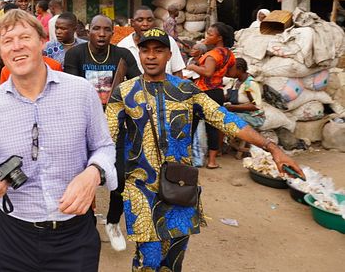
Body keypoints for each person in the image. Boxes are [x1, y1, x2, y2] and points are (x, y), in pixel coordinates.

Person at [105, 28, 304, 272]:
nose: (151, 56)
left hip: (180, 185)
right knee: (149, 259)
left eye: (158, 51)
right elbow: (106, 135)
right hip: (141, 188)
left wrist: (272, 148)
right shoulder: (124, 92)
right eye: (145, 50)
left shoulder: (187, 91)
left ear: (169, 55)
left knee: (173, 260)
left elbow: (225, 119)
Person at [0, 9, 117, 271]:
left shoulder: (81, 92)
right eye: (7, 41)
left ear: (42, 42)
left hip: (74, 236)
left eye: (24, 37)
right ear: (1, 52)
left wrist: (94, 173)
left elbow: (104, 147)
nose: (17, 47)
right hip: (13, 236)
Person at [63, 14, 140, 252]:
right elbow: (73, 92)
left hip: (116, 127)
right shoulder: (75, 54)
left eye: (107, 29)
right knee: (79, 177)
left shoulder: (123, 55)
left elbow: (137, 85)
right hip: (82, 127)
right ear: (88, 31)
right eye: (96, 29)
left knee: (119, 179)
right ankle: (82, 226)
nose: (102, 34)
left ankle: (114, 221)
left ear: (113, 32)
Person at [184, 22, 237, 169]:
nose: (206, 36)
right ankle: (212, 161)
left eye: (210, 34)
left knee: (191, 125)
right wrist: (219, 72)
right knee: (213, 127)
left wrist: (193, 67)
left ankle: (187, 157)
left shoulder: (211, 55)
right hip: (218, 92)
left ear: (219, 38)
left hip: (203, 93)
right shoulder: (229, 54)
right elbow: (232, 74)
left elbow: (207, 72)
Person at [117, 6, 185, 75]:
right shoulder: (123, 46)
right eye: (140, 20)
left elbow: (178, 72)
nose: (145, 24)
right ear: (132, 23)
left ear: (155, 22)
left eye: (149, 20)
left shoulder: (169, 41)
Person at [224, 58, 266, 129]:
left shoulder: (250, 84)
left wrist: (232, 107)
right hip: (241, 113)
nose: (228, 71)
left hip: (253, 117)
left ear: (239, 69)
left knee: (228, 118)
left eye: (230, 69)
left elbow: (256, 106)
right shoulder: (235, 82)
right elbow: (228, 96)